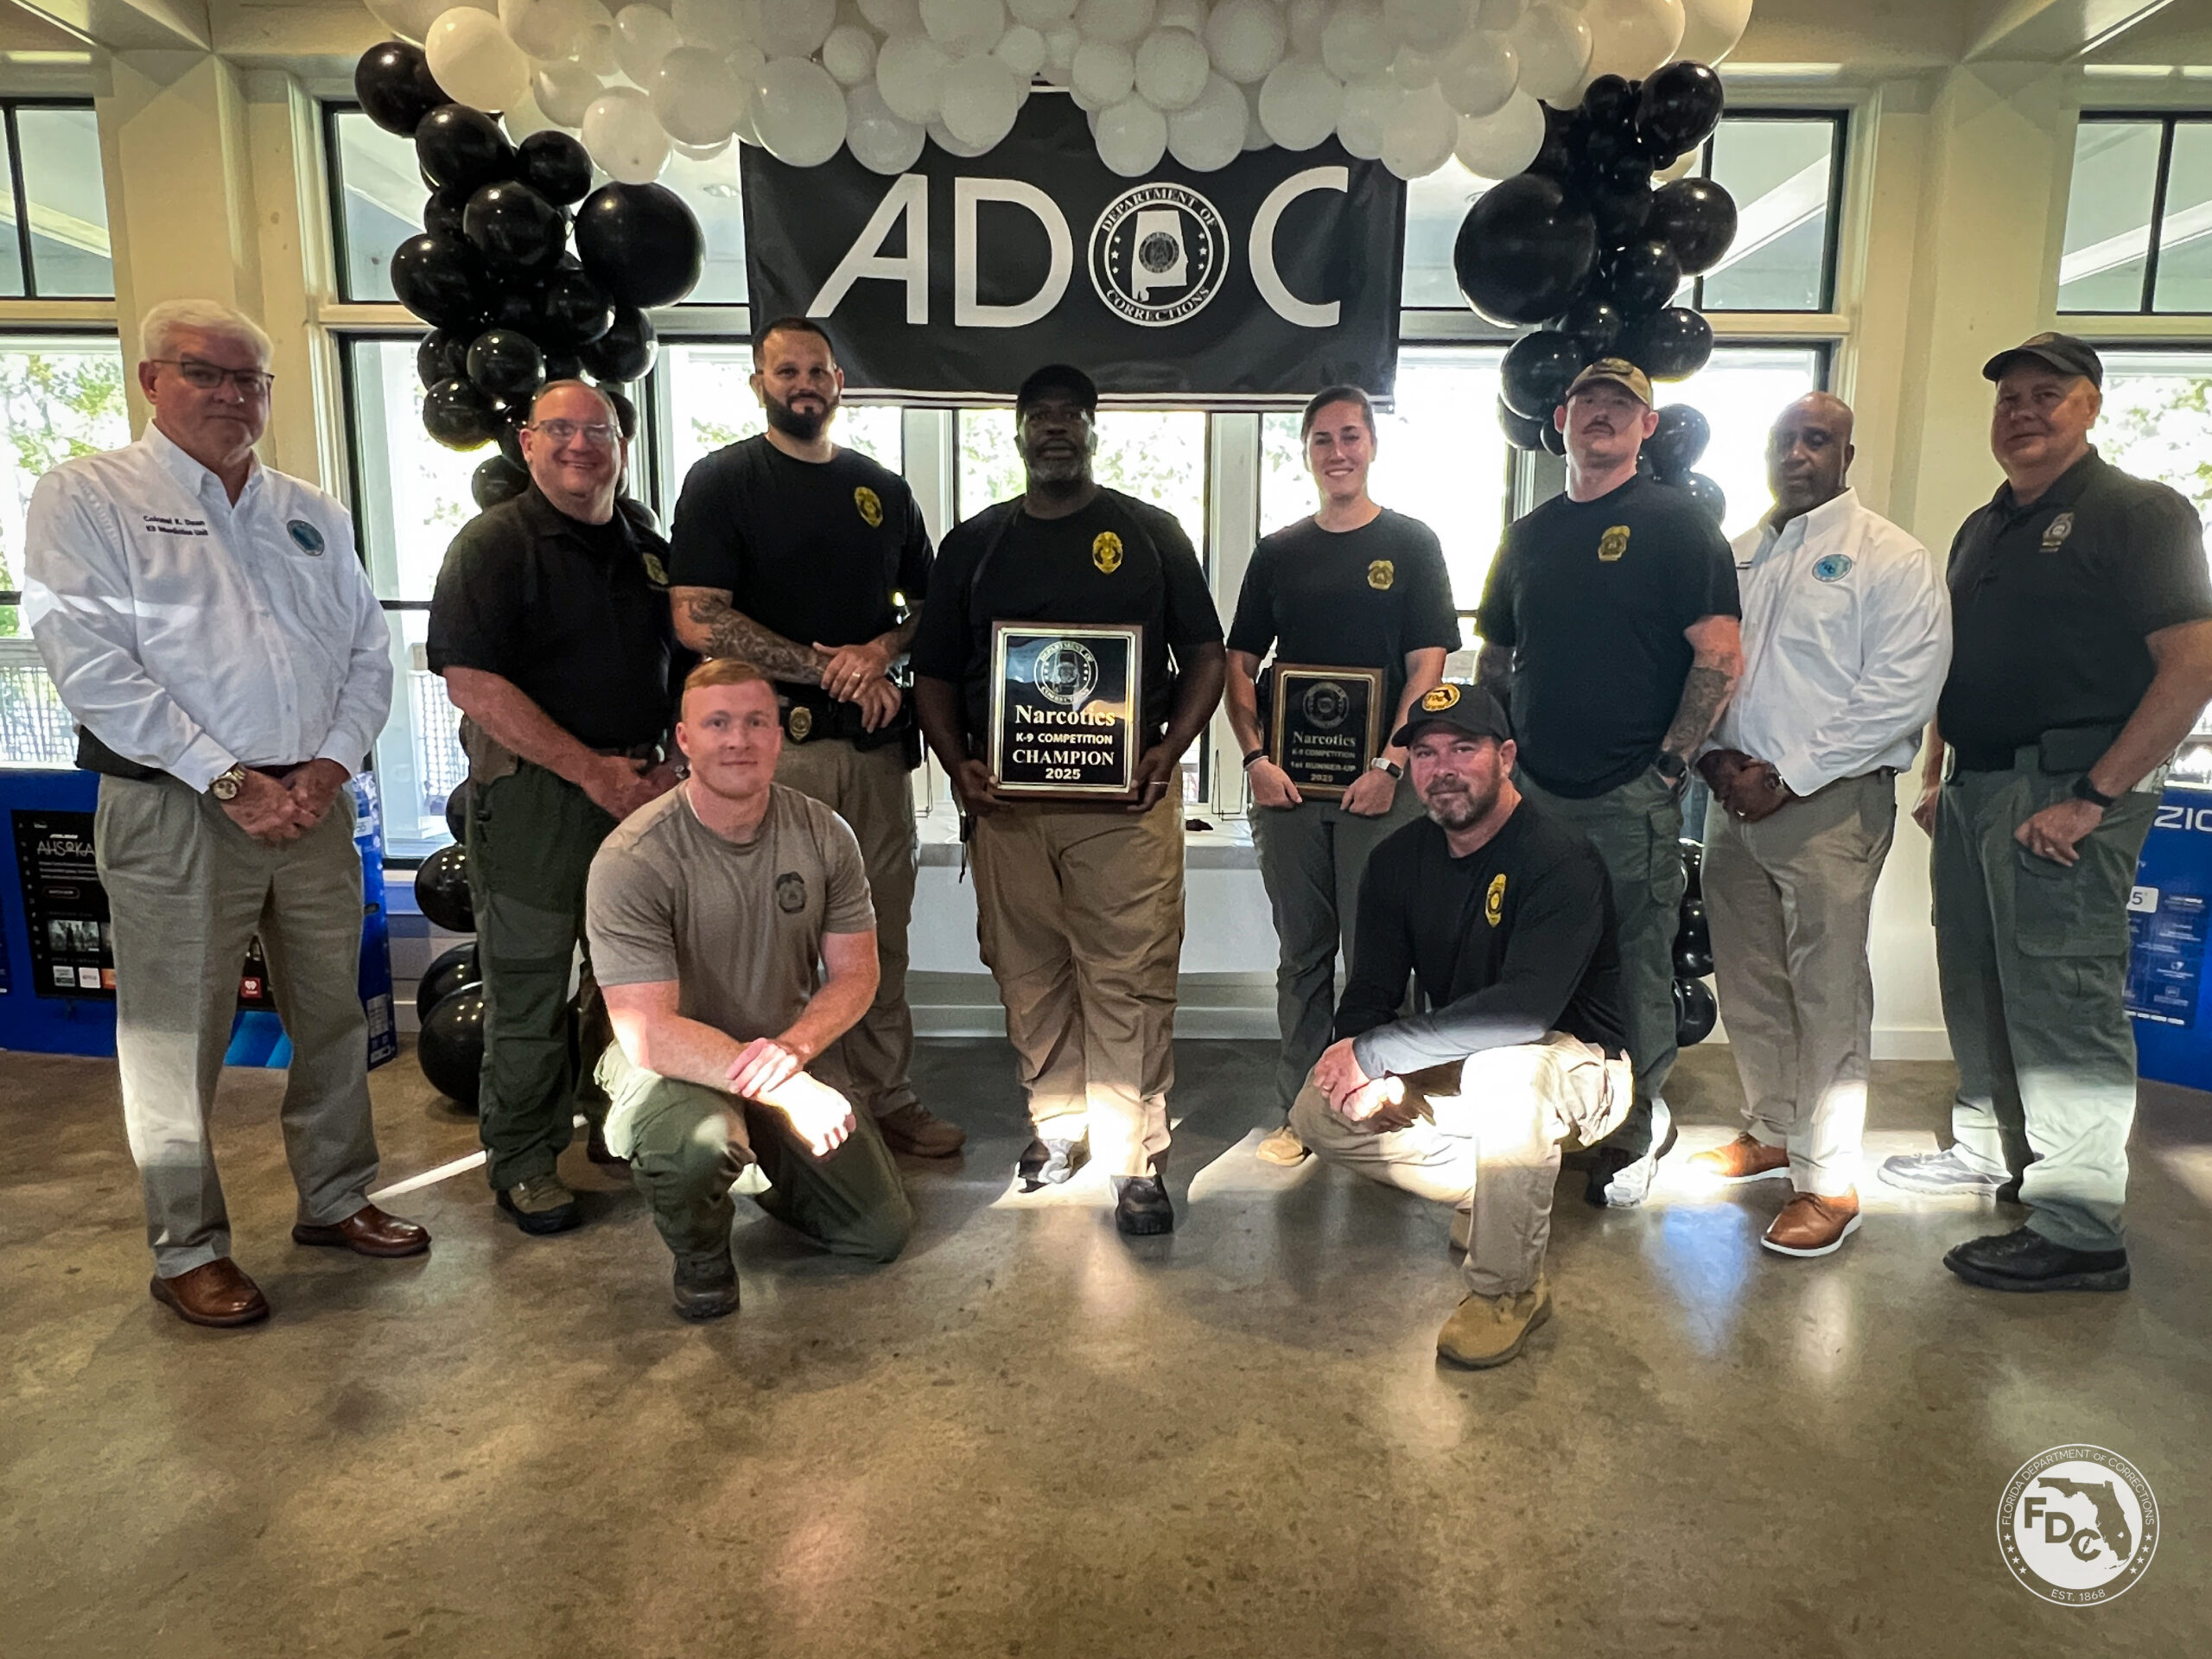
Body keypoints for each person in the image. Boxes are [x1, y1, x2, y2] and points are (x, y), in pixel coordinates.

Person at [22, 298, 425, 1328]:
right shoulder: (90, 497)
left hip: (313, 805)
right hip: (176, 808)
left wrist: (328, 769)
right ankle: (187, 1249)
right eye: (206, 372)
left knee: (331, 1015)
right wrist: (230, 781)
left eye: (250, 378)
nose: (232, 395)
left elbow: (366, 650)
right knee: (175, 1036)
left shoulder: (308, 510)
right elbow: (90, 667)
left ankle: (335, 1197)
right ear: (152, 381)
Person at [1887, 334, 2212, 1292]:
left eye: (2047, 393)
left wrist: (2094, 797)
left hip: (2067, 791)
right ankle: (1991, 1150)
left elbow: (2193, 663)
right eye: (2009, 398)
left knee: (2063, 997)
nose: (2023, 410)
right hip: (1976, 789)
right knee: (1980, 975)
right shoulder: (1984, 526)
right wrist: (1939, 771)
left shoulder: (2139, 513)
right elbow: (1958, 661)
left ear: (2091, 406)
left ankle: (2079, 1226)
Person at [911, 364, 1225, 1236]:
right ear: (1018, 433)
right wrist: (956, 764)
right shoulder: (974, 545)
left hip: (1124, 808)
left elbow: (1205, 654)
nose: (1056, 427)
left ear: (1092, 430)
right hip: (1007, 809)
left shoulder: (1150, 533)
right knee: (1028, 974)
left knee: (1129, 977)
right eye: (1040, 415)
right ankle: (1056, 1126)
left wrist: (1168, 748)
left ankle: (1134, 1158)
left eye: (1072, 415)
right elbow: (933, 675)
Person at [666, 317, 958, 1160]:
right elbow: (697, 617)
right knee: (770, 939)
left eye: (818, 371)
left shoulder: (881, 490)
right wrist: (823, 667)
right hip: (770, 755)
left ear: (839, 383)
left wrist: (880, 653)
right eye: (786, 371)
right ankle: (779, 1108)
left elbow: (931, 606)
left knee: (877, 934)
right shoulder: (724, 481)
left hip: (873, 754)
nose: (804, 384)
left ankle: (884, 1095)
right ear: (759, 384)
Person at [1288, 683, 1631, 1369]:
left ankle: (1509, 1291)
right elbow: (1372, 990)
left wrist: (1381, 1052)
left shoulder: (1559, 857)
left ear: (1505, 758)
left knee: (1506, 1074)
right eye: (1425, 753)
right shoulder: (1396, 861)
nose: (1442, 768)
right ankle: (1504, 1193)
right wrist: (1369, 1068)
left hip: (1576, 1065)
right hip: (1463, 1055)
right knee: (1317, 1110)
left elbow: (1527, 1011)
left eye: (1463, 749)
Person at [1474, 358, 1742, 1208]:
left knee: (1633, 962)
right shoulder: (1528, 536)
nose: (1601, 414)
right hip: (1534, 794)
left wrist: (1670, 765)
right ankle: (1559, 1114)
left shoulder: (1678, 525)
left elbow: (1719, 653)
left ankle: (1636, 1127)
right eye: (1587, 400)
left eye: (1620, 405)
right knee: (1540, 959)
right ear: (1560, 420)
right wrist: (1499, 760)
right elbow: (1495, 657)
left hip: (1630, 794)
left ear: (1646, 427)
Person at [1688, 393, 1950, 1256]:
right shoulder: (1738, 555)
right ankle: (1773, 1129)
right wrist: (1714, 760)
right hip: (1733, 799)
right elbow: (1707, 671)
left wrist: (1789, 776)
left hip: (1828, 805)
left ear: (1846, 455)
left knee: (1827, 987)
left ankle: (1829, 1180)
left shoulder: (1891, 558)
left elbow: (1901, 689)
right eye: (1783, 440)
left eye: (1816, 440)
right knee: (1749, 976)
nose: (1795, 453)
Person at [428, 379, 685, 1236]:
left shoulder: (648, 549)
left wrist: (672, 765)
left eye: (598, 430)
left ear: (622, 445)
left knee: (634, 982)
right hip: (537, 799)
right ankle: (525, 1161)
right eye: (560, 429)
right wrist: (590, 772)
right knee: (532, 989)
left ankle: (618, 1123)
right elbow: (472, 683)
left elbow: (684, 666)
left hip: (644, 789)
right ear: (527, 443)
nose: (581, 445)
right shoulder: (493, 545)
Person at [586, 658, 912, 1320]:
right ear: (684, 739)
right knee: (697, 1147)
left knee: (879, 1234)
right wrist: (788, 1090)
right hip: (672, 1065)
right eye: (718, 724)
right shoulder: (633, 858)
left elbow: (857, 973)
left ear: (778, 736)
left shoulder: (825, 834)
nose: (738, 739)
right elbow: (650, 1033)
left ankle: (758, 1161)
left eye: (756, 722)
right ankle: (702, 1253)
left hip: (778, 1050)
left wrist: (794, 1052)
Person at [1224, 385, 1459, 1166]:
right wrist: (1254, 760)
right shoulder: (1279, 552)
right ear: (1306, 453)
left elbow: (1428, 666)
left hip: (1381, 789)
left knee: (1378, 956)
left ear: (1372, 446)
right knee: (1302, 955)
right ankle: (1299, 1110)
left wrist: (1393, 761)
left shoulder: (1413, 544)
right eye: (1322, 439)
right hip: (1289, 792)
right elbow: (1239, 663)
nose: (1338, 452)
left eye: (1351, 436)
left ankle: (1378, 1102)